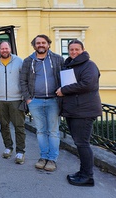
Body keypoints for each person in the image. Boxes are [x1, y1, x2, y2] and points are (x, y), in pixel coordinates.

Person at [56, 40, 102, 187]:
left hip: (84, 111)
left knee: (83, 144)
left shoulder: (89, 65)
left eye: (77, 49)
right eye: (71, 49)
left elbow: (88, 84)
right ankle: (82, 172)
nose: (74, 52)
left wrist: (64, 90)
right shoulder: (69, 65)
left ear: (83, 50)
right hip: (74, 110)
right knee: (79, 143)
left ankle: (88, 177)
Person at [20, 34, 64, 172]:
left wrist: (63, 91)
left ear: (48, 44)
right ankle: (43, 157)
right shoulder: (28, 61)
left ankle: (52, 159)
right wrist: (28, 98)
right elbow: (23, 81)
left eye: (43, 42)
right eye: (38, 43)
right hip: (35, 101)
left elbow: (65, 77)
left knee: (53, 131)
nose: (41, 45)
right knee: (40, 131)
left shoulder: (58, 59)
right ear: (34, 46)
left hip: (54, 100)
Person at [0, 41, 26, 164]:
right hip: (0, 100)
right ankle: (8, 147)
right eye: (2, 48)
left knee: (19, 126)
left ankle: (20, 151)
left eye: (6, 48)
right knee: (3, 125)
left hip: (16, 99)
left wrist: (24, 95)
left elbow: (24, 79)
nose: (4, 50)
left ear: (10, 49)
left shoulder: (19, 61)